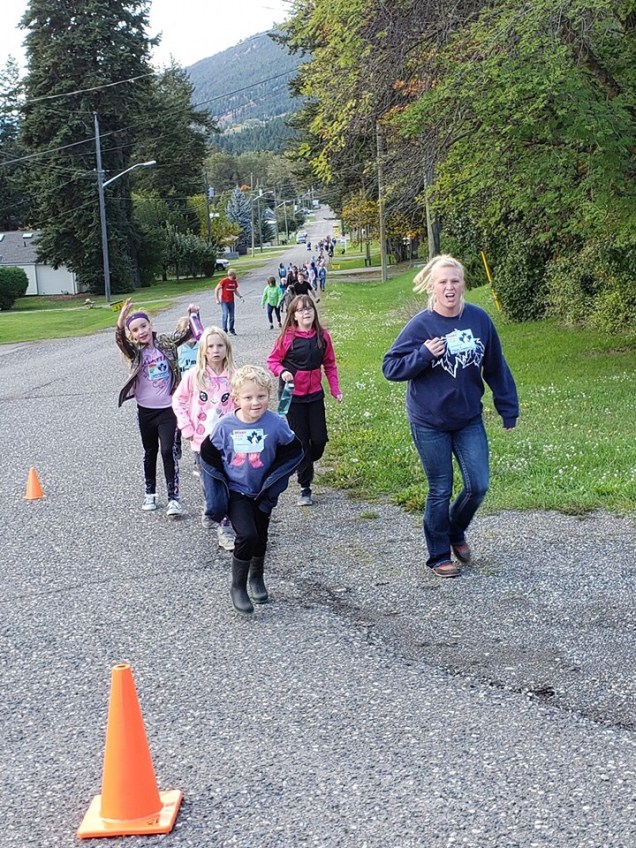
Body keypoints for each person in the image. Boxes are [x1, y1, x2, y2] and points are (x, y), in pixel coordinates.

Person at [382, 255, 518, 578]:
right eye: (442, 282)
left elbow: (495, 366)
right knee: (440, 489)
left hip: (468, 418)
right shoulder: (421, 325)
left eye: (455, 281)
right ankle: (439, 554)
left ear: (463, 285)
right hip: (429, 421)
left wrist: (507, 408)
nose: (449, 287)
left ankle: (455, 529)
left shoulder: (479, 320)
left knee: (478, 485)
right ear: (432, 286)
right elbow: (391, 367)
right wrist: (423, 354)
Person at [200, 365, 303, 614]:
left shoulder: (276, 424)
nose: (255, 402)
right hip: (237, 491)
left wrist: (274, 482)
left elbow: (293, 451)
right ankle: (238, 586)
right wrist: (218, 489)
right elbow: (208, 454)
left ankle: (256, 578)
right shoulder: (225, 426)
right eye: (248, 397)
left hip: (263, 492)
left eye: (261, 396)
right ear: (236, 399)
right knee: (247, 535)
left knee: (260, 535)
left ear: (269, 395)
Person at [116, 298, 199, 517]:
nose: (141, 332)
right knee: (150, 451)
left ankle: (173, 498)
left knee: (167, 451)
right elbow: (120, 341)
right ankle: (150, 493)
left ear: (150, 325)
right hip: (146, 411)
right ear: (132, 335)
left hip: (168, 409)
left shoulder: (165, 342)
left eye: (144, 326)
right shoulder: (135, 351)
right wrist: (121, 320)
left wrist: (193, 314)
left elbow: (187, 334)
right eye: (135, 330)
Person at [267, 295, 343, 506]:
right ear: (294, 315)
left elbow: (330, 365)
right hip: (291, 396)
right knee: (301, 441)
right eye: (300, 310)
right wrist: (282, 371)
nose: (306, 312)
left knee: (319, 439)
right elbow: (272, 361)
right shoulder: (287, 337)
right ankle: (305, 487)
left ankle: (305, 459)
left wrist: (335, 390)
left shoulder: (323, 336)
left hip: (315, 393)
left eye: (309, 308)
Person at [172, 326, 236, 551]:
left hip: (228, 441)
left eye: (220, 346)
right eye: (210, 346)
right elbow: (178, 400)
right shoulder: (194, 376)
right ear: (203, 351)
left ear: (227, 348)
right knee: (210, 483)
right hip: (201, 440)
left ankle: (224, 523)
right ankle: (214, 510)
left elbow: (241, 402)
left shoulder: (234, 376)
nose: (215, 350)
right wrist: (186, 426)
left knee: (227, 482)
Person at [214, 268, 243, 336]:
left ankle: (232, 329)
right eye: (235, 274)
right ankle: (224, 330)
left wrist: (240, 296)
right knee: (225, 314)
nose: (235, 275)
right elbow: (216, 289)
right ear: (232, 274)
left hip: (231, 301)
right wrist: (217, 299)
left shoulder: (234, 282)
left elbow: (235, 291)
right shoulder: (224, 281)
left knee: (232, 316)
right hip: (224, 301)